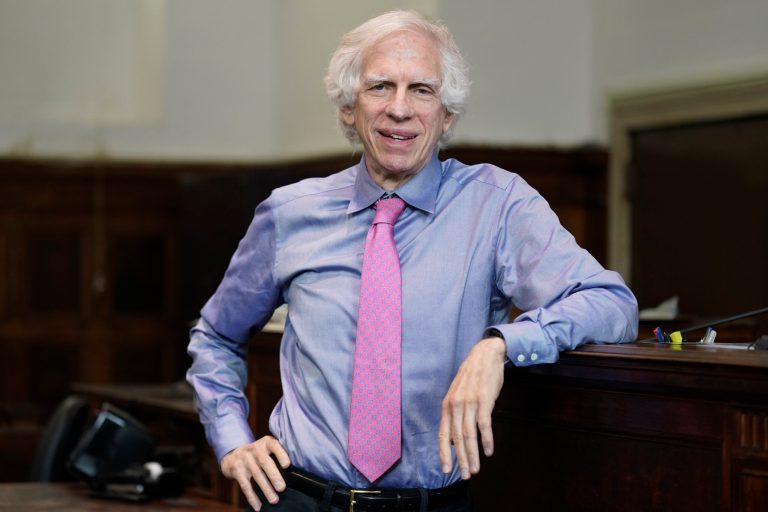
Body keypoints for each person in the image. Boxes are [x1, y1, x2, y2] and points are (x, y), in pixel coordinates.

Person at [187, 9, 638, 512]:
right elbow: (216, 336)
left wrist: (502, 344)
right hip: (298, 498)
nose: (399, 109)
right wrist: (232, 440)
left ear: (446, 114)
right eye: (380, 86)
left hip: (433, 504)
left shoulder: (498, 205)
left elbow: (612, 304)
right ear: (347, 108)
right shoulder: (290, 213)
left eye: (421, 90)